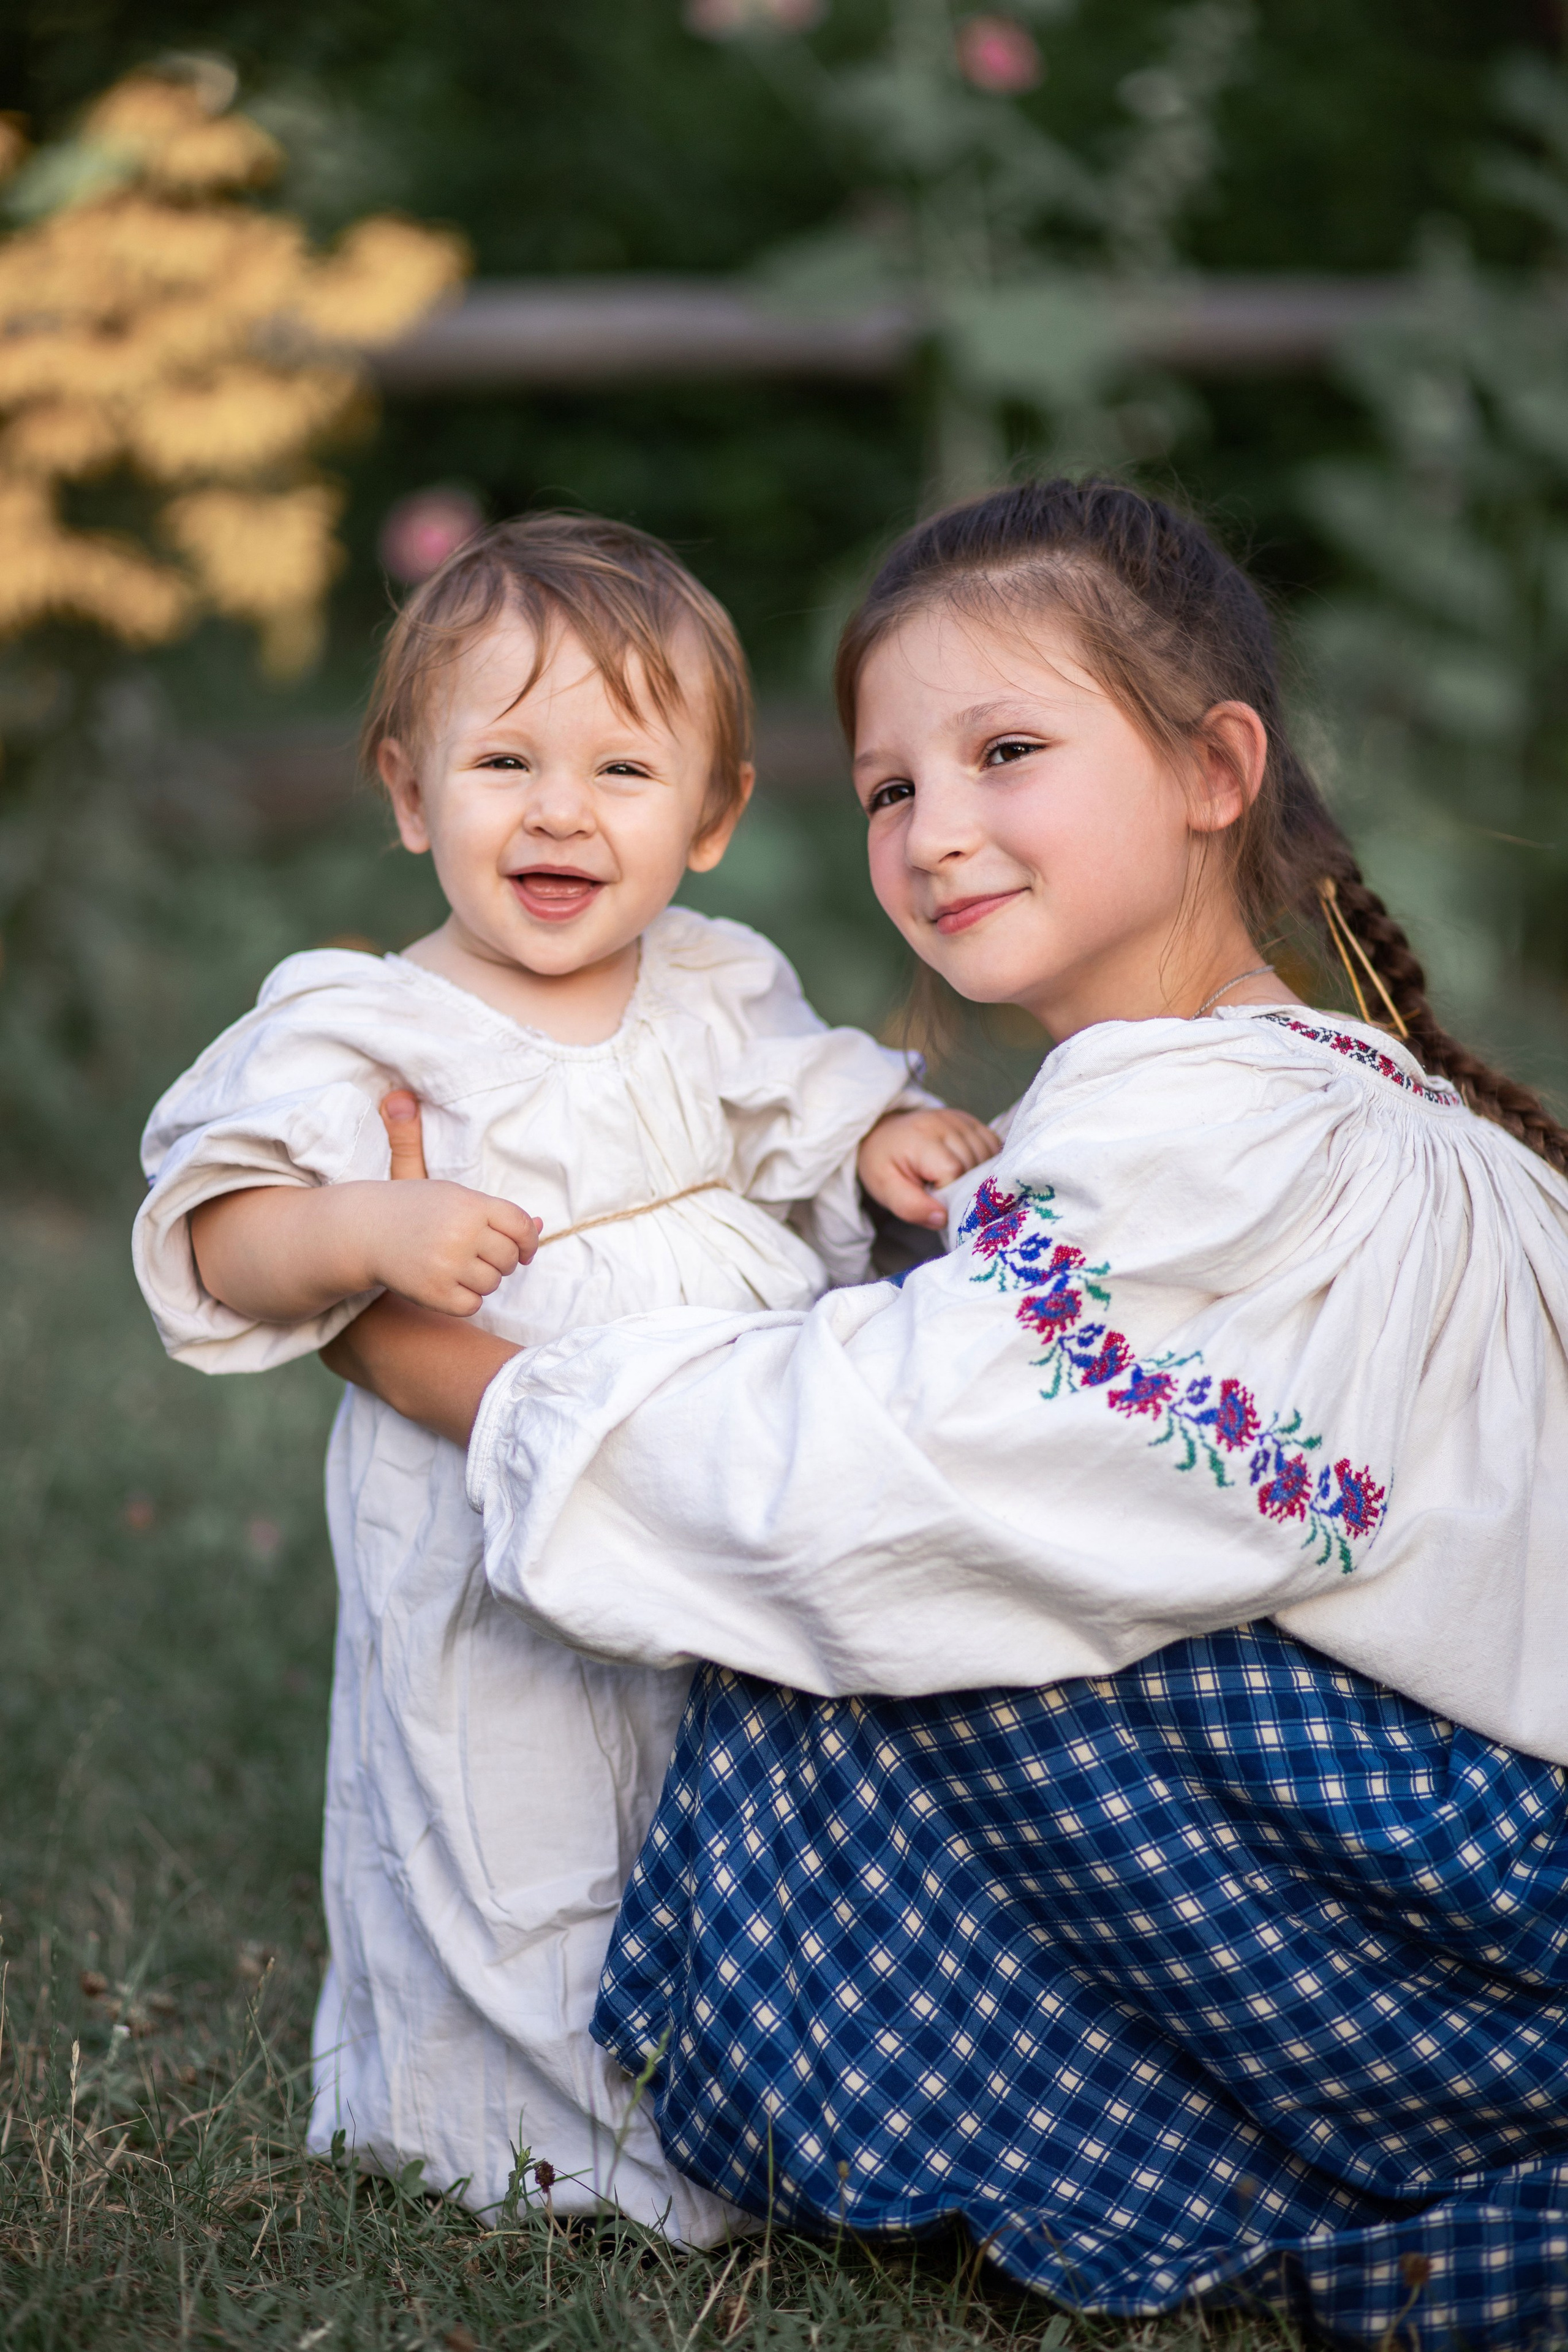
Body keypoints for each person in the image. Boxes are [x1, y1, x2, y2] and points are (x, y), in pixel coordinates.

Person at [325, 480, 1568, 2349]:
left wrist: (412, 1352)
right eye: (897, 786)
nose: (939, 830)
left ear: (1215, 768)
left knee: (881, 1615)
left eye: (1007, 752)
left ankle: (1064, 2138)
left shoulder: (1209, 1138)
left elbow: (851, 1494)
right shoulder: (1290, 1091)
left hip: (1493, 1930)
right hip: (1494, 1882)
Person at [132, 512, 997, 2232]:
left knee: (723, 1786)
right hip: (484, 1517)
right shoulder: (360, 1025)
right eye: (503, 758)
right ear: (406, 791)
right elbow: (221, 1231)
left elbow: (810, 1107)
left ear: (715, 816)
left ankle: (747, 2097)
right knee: (504, 1800)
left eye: (621, 766)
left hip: (711, 1481)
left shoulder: (715, 985)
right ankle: (501, 2130)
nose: (556, 809)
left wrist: (889, 1139)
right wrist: (367, 1220)